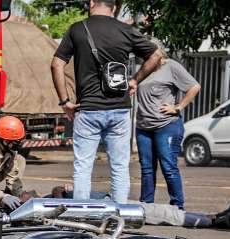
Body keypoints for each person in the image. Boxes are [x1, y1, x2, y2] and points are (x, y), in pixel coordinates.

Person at [51, 0, 162, 204]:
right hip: (119, 109)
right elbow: (156, 55)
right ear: (114, 6)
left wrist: (65, 101)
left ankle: (82, 217)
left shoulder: (78, 29)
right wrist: (135, 80)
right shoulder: (125, 30)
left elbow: (56, 64)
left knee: (83, 167)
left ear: (92, 3)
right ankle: (118, 217)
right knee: (119, 168)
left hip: (88, 109)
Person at [135, 41, 201, 209]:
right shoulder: (143, 70)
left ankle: (177, 206)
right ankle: (146, 206)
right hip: (144, 127)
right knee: (147, 168)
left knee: (168, 167)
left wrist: (178, 107)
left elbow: (194, 87)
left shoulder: (171, 66)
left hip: (166, 125)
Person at [50, 185, 230, 229]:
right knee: (161, 214)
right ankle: (216, 221)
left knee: (162, 210)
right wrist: (59, 191)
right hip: (106, 209)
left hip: (109, 201)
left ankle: (215, 217)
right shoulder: (40, 205)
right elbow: (58, 200)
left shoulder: (41, 200)